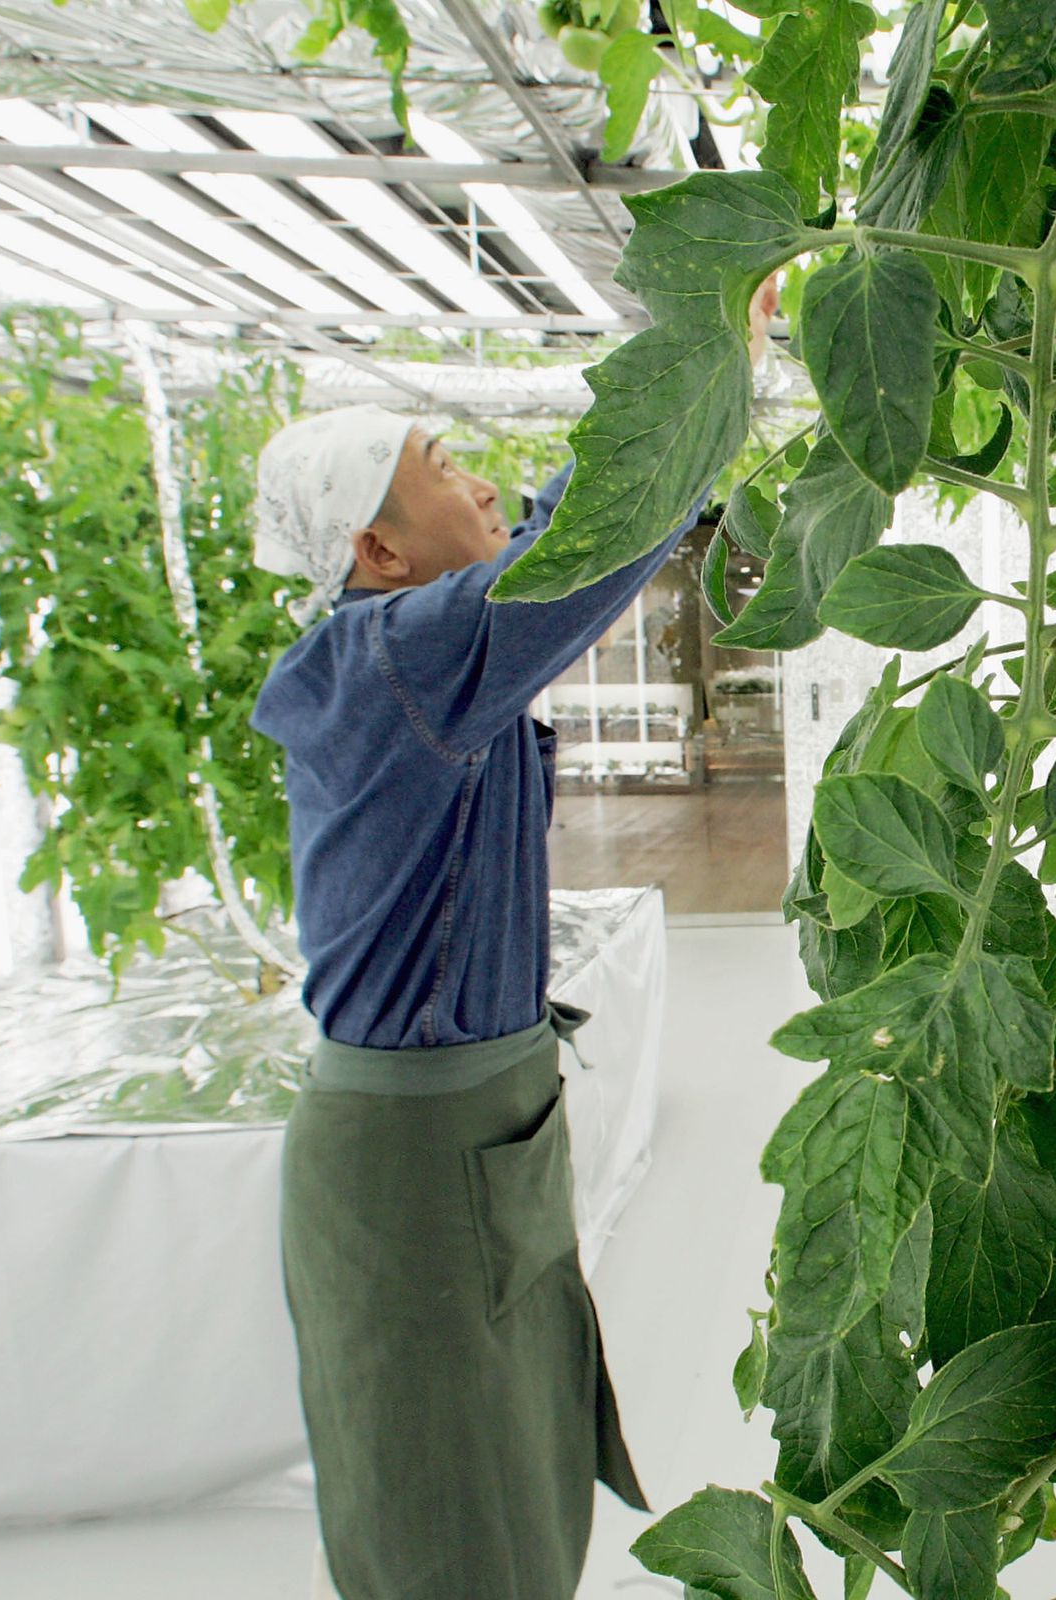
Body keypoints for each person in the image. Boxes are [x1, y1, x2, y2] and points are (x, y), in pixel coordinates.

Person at [247, 407, 692, 1599]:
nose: (486, 485)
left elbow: (569, 548)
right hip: (415, 1184)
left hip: (457, 1156)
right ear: (378, 553)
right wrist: (707, 367)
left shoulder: (402, 661)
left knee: (506, 1504)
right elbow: (578, 552)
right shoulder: (395, 658)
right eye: (443, 471)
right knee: (456, 1535)